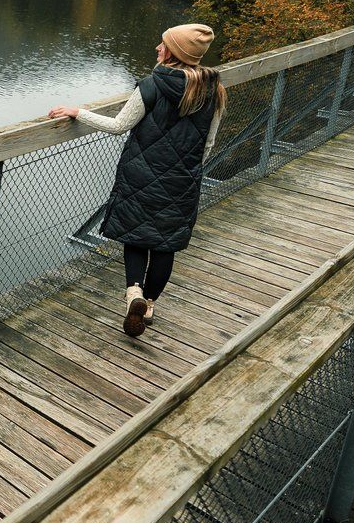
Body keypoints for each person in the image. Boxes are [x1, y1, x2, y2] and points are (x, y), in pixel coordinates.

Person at [48, 23, 226, 338]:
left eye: (163, 44)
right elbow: (207, 145)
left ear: (174, 52)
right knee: (164, 245)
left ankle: (134, 292)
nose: (158, 48)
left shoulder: (151, 85)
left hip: (140, 176)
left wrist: (79, 112)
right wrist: (186, 172)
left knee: (136, 237)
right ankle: (151, 303)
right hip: (182, 181)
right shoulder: (215, 90)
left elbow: (119, 125)